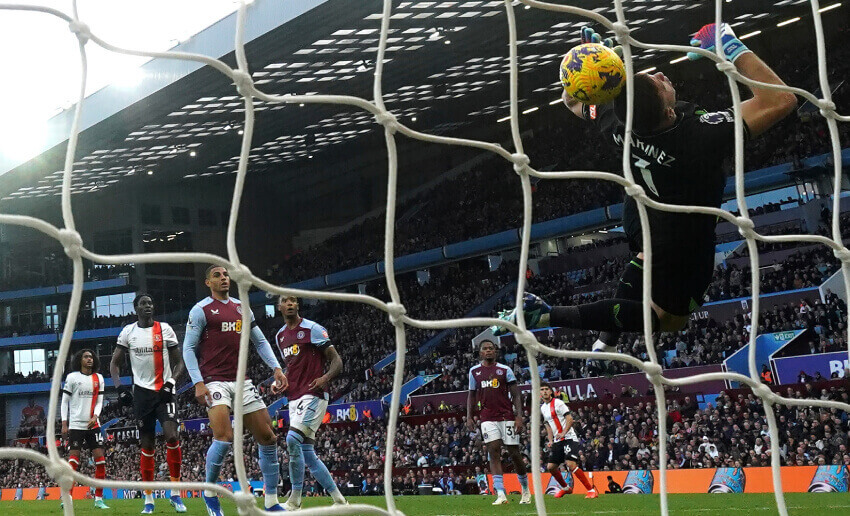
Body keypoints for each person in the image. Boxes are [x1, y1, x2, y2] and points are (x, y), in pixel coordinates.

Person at [495, 24, 796, 350]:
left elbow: (571, 101)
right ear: (669, 110)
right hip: (680, 239)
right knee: (669, 320)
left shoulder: (613, 120)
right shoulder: (697, 138)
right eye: (659, 83)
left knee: (650, 273)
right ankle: (548, 315)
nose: (663, 76)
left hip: (642, 216)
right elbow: (781, 100)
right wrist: (730, 45)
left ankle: (600, 334)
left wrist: (599, 69)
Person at [182, 265, 287, 514]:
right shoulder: (201, 310)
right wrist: (198, 382)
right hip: (213, 381)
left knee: (268, 438)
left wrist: (276, 368)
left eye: (226, 274)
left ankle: (271, 501)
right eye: (217, 275)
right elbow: (188, 348)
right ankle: (210, 492)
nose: (224, 278)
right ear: (208, 282)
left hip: (242, 381)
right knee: (225, 437)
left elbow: (260, 341)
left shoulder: (242, 308)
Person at [110, 293, 187, 514]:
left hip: (164, 391)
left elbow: (179, 362)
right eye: (143, 303)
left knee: (172, 436)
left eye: (151, 303)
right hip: (142, 395)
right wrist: (119, 388)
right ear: (136, 308)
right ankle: (149, 499)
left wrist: (171, 382)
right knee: (147, 445)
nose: (148, 306)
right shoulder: (128, 332)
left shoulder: (165, 329)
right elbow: (114, 365)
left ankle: (175, 493)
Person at [273, 295, 348, 510]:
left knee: (291, 440)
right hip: (294, 397)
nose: (290, 304)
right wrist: (280, 383)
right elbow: (292, 368)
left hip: (314, 394)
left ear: (297, 305)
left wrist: (325, 378)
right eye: (285, 301)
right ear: (279, 307)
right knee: (308, 454)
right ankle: (339, 500)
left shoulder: (312, 329)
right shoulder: (280, 337)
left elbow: (337, 360)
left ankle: (295, 499)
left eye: (293, 301)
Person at [467, 340, 530, 505]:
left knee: (514, 454)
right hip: (487, 417)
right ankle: (501, 493)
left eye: (491, 348)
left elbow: (516, 395)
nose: (488, 351)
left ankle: (525, 489)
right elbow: (471, 396)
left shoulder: (505, 370)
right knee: (493, 452)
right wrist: (469, 416)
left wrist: (519, 416)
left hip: (507, 416)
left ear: (495, 351)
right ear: (480, 353)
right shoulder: (474, 372)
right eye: (485, 349)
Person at [61, 349, 109, 509]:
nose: (90, 359)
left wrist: (95, 416)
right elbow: (64, 401)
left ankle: (99, 499)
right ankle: (67, 498)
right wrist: (64, 423)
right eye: (86, 357)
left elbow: (100, 402)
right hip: (76, 425)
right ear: (79, 360)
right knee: (73, 462)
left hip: (93, 425)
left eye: (91, 357)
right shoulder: (72, 377)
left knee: (100, 461)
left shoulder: (99, 378)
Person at [540, 383, 597, 499]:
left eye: (547, 389)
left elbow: (570, 419)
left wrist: (564, 432)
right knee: (551, 467)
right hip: (558, 440)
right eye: (542, 390)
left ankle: (591, 490)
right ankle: (566, 488)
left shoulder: (558, 403)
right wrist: (550, 440)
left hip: (569, 437)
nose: (545, 391)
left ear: (551, 392)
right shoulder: (543, 408)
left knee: (570, 464)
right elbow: (548, 426)